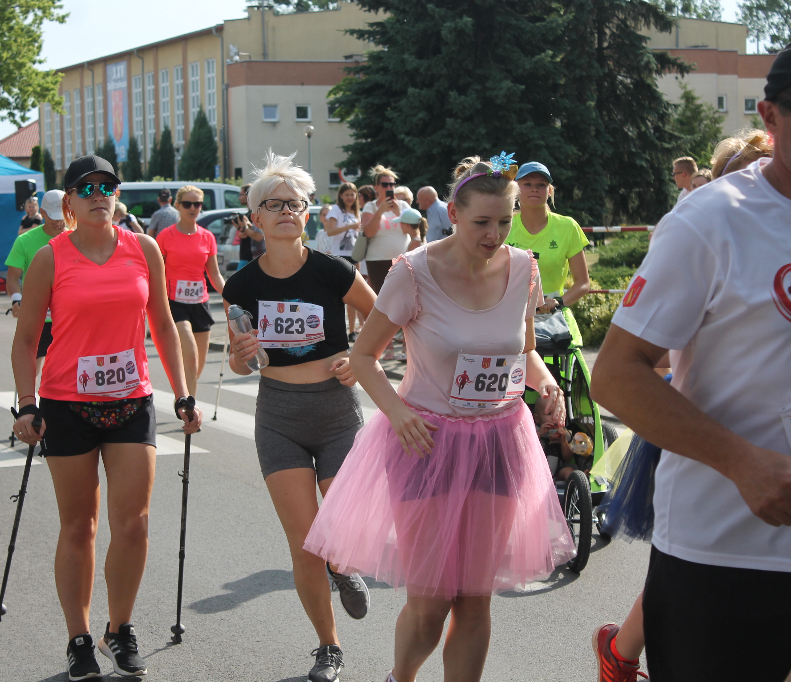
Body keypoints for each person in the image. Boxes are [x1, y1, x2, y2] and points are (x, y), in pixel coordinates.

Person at [590, 32, 791, 682]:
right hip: (724, 560)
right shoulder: (711, 221)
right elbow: (617, 375)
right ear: (771, 117)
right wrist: (741, 461)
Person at [304, 153, 574, 682]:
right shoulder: (414, 272)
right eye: (482, 222)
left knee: (475, 601)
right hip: (426, 442)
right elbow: (363, 358)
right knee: (431, 606)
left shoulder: (523, 269)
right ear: (453, 212)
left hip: (499, 441)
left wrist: (545, 383)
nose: (495, 234)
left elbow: (523, 351)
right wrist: (398, 413)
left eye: (505, 220)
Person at [10, 155, 201, 681]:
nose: (99, 194)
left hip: (131, 401)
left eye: (108, 187)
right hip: (67, 405)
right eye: (86, 187)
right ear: (68, 200)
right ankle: (79, 638)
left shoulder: (144, 249)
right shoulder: (50, 258)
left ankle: (120, 628)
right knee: (79, 526)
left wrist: (183, 393)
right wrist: (27, 406)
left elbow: (162, 324)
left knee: (134, 524)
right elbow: (26, 341)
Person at [222, 151, 377, 682]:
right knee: (304, 541)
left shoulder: (332, 270)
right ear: (256, 219)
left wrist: (358, 357)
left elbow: (382, 317)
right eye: (274, 204)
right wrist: (240, 355)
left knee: (337, 526)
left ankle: (343, 564)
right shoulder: (240, 287)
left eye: (295, 203)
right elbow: (240, 360)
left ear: (307, 214)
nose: (286, 211)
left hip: (335, 413)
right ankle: (328, 648)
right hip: (279, 416)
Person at [505, 161, 591, 340]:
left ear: (549, 191)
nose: (534, 189)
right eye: (527, 184)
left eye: (541, 185)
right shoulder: (504, 226)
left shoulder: (567, 226)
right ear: (516, 190)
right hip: (511, 317)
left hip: (554, 317)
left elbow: (583, 283)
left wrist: (557, 303)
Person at [156, 185, 226, 398]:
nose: (193, 208)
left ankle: (185, 396)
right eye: (187, 203)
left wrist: (231, 296)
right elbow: (156, 273)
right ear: (177, 205)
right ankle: (189, 407)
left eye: (197, 204)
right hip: (175, 302)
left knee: (198, 365)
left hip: (200, 302)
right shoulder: (165, 236)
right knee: (191, 353)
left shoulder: (207, 237)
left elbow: (214, 274)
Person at [6, 189, 68, 389]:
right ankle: (31, 409)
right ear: (42, 212)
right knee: (32, 369)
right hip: (38, 317)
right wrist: (16, 299)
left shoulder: (79, 238)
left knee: (68, 371)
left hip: (69, 317)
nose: (59, 222)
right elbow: (13, 277)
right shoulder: (25, 241)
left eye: (63, 216)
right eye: (53, 217)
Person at [360, 165, 421, 293]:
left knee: (404, 297)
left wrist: (399, 213)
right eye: (385, 185)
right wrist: (380, 211)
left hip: (402, 259)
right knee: (381, 298)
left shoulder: (403, 205)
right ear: (376, 187)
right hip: (377, 260)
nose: (389, 188)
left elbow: (413, 230)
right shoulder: (370, 207)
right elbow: (368, 232)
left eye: (392, 184)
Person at [323, 183, 362, 339]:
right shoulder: (336, 211)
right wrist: (350, 226)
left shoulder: (355, 212)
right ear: (340, 195)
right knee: (337, 295)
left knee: (353, 294)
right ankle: (335, 330)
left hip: (354, 255)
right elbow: (330, 231)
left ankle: (352, 331)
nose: (350, 197)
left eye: (353, 194)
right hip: (339, 255)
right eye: (347, 194)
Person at [235, 182, 266, 269]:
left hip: (253, 258)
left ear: (248, 195)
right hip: (247, 257)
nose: (239, 197)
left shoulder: (257, 213)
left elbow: (260, 236)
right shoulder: (249, 213)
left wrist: (245, 227)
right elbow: (249, 233)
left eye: (241, 194)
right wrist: (241, 230)